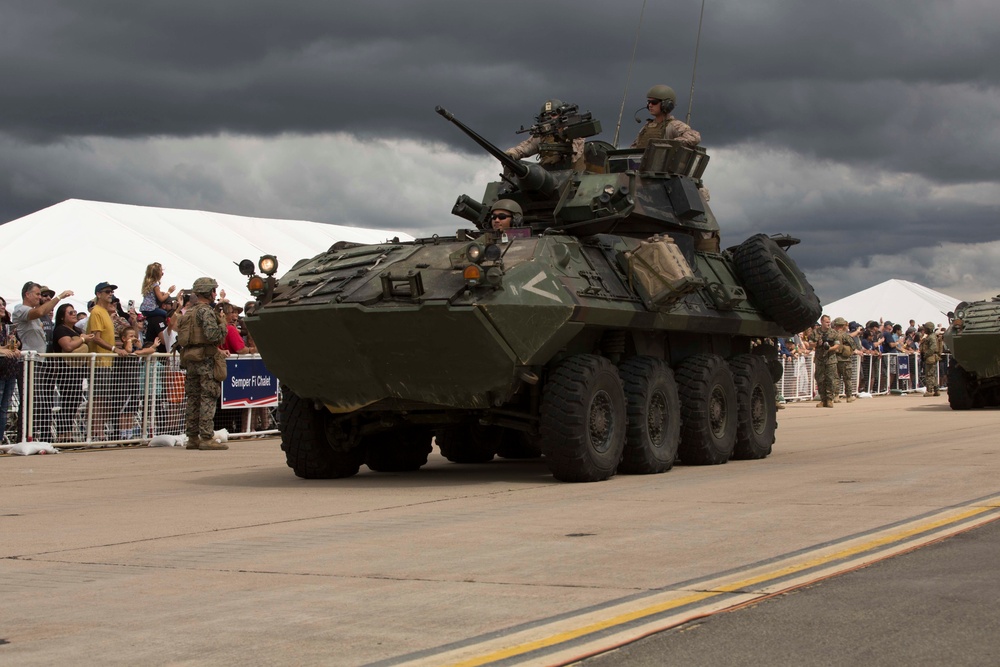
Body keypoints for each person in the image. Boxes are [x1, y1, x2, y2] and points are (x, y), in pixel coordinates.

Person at [13, 282, 74, 440]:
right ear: (27, 294)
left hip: (39, 361)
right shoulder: (21, 309)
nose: (40, 297)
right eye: (37, 294)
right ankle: (23, 437)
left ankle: (35, 436)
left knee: (38, 401)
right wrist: (59, 297)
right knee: (28, 400)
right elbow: (40, 311)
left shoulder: (35, 313)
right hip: (27, 361)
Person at [177, 277, 228, 451]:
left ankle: (192, 437)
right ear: (210, 292)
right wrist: (223, 325)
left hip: (190, 358)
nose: (215, 293)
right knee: (208, 397)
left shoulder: (189, 312)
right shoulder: (206, 312)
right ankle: (206, 437)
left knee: (193, 398)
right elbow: (213, 336)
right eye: (214, 290)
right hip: (205, 359)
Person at [49, 303, 95, 442]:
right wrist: (82, 339)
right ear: (62, 317)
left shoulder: (76, 329)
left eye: (74, 311)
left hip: (78, 370)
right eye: (70, 312)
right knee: (68, 401)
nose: (74, 314)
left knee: (75, 401)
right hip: (66, 371)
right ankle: (63, 435)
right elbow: (68, 346)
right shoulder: (60, 330)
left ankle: (68, 433)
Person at [86, 282, 128, 438]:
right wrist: (114, 349)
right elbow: (96, 337)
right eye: (107, 291)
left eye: (112, 291)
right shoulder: (97, 311)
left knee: (104, 398)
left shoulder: (104, 312)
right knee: (99, 399)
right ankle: (96, 432)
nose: (111, 294)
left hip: (107, 361)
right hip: (100, 361)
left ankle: (99, 431)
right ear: (99, 294)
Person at [506, 99, 585, 171]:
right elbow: (524, 148)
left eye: (553, 114)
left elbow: (577, 152)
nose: (549, 118)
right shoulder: (542, 135)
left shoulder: (571, 130)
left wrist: (560, 156)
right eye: (545, 115)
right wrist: (511, 154)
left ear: (561, 114)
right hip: (549, 174)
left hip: (572, 173)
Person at [631, 85, 701, 150]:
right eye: (648, 102)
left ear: (666, 104)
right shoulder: (646, 127)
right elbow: (634, 148)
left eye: (654, 102)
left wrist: (669, 144)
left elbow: (694, 137)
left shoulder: (675, 125)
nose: (650, 105)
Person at [808, 315, 843, 408]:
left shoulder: (833, 333)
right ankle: (823, 399)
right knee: (820, 379)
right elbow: (810, 343)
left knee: (830, 379)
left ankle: (829, 399)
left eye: (829, 322)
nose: (828, 323)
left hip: (830, 360)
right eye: (827, 322)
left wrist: (829, 348)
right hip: (819, 360)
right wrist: (817, 344)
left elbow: (837, 345)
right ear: (822, 322)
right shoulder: (815, 332)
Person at [1, 296, 21, 443]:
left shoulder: (6, 326)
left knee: (4, 409)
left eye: (3, 304)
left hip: (10, 370)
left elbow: (12, 345)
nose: (2, 307)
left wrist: (14, 347)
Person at [139, 262, 176, 345]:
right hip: (151, 308)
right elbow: (161, 298)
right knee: (165, 313)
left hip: (145, 309)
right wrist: (169, 292)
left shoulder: (147, 284)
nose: (162, 273)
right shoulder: (155, 285)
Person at [831, 317, 858, 403]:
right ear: (843, 325)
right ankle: (849, 396)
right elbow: (853, 346)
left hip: (834, 359)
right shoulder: (845, 335)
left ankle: (836, 396)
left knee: (836, 378)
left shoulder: (832, 334)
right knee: (847, 379)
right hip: (845, 360)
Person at [919, 321, 943, 396]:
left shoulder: (931, 337)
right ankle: (936, 390)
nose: (924, 329)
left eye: (925, 328)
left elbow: (933, 348)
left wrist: (926, 354)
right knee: (933, 374)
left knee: (929, 374)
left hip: (930, 357)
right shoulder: (930, 336)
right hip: (931, 357)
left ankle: (929, 391)